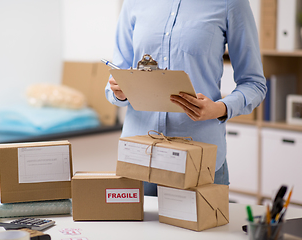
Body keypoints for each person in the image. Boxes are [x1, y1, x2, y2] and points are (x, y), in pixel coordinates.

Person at [105, 0, 267, 196]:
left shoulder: (230, 3)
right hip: (138, 157)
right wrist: (119, 91)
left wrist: (220, 109)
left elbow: (254, 84)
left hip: (199, 161)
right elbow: (116, 76)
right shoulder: (134, 3)